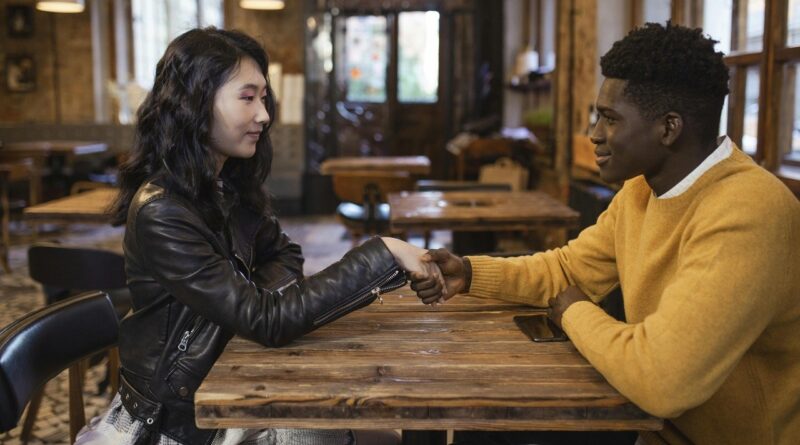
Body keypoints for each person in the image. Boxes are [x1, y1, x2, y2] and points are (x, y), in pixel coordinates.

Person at [412, 22, 800, 445]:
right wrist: (469, 272)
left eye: (610, 119)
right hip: (652, 428)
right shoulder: (641, 190)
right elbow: (568, 270)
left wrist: (575, 312)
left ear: (669, 128)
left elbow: (662, 379)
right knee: (481, 426)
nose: (594, 134)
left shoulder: (749, 211)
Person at [76, 27, 440, 445]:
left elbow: (285, 254)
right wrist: (385, 252)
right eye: (247, 98)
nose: (264, 115)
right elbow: (269, 321)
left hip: (228, 384)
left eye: (263, 97)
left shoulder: (223, 184)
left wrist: (254, 303)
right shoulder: (162, 211)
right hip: (182, 423)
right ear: (194, 104)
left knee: (381, 436)